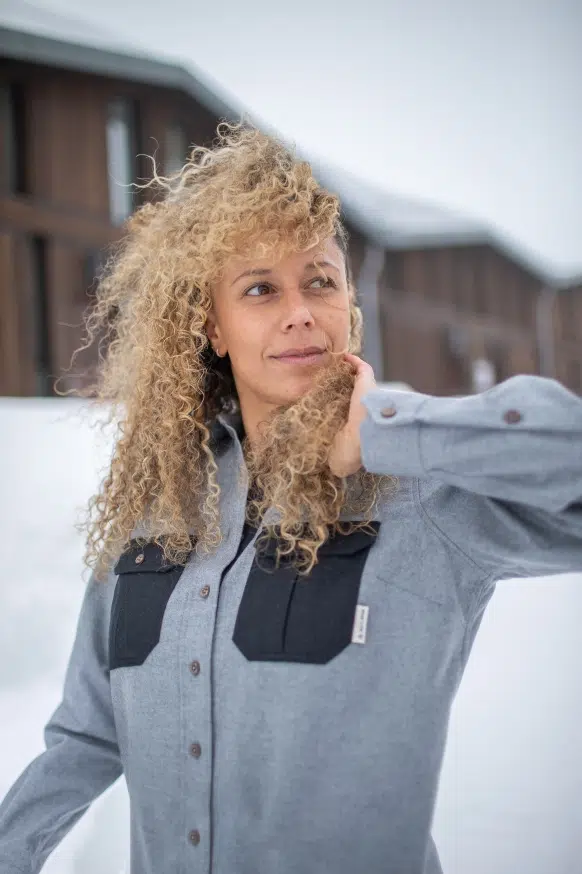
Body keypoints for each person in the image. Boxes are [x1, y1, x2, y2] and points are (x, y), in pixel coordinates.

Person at [0, 122, 580, 874]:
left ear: (348, 303)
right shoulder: (156, 510)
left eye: (320, 281)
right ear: (212, 326)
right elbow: (87, 736)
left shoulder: (424, 491)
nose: (299, 310)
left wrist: (392, 432)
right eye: (260, 289)